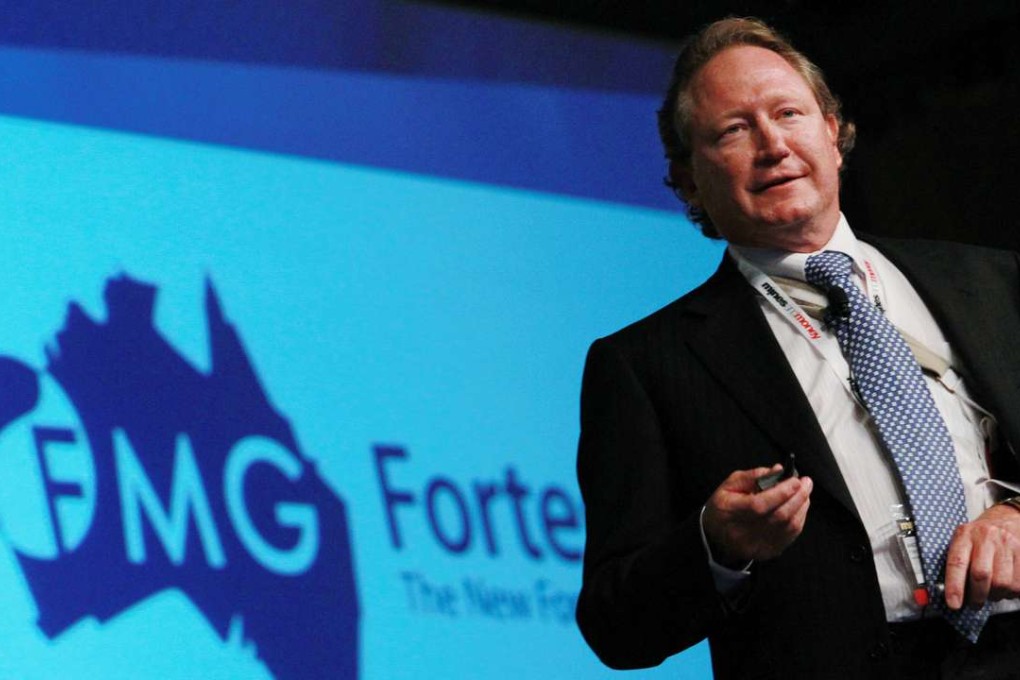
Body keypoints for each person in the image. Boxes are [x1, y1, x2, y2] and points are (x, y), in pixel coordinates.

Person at [575, 17, 1020, 680]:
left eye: (789, 113)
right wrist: (716, 545)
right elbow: (617, 625)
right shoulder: (645, 365)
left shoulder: (993, 284)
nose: (773, 145)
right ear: (688, 179)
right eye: (734, 130)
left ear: (833, 134)